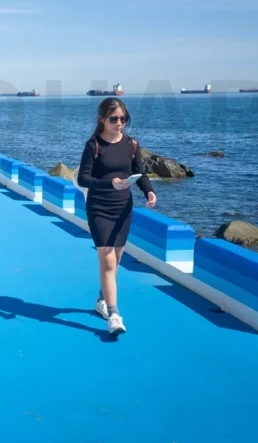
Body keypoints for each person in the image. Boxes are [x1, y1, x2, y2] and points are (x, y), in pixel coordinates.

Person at [76, 97, 157, 336]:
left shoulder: (131, 144)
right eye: (114, 119)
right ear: (102, 119)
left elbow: (139, 173)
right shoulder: (93, 145)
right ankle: (114, 314)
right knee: (108, 259)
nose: (119, 123)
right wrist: (109, 183)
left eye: (123, 118)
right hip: (99, 209)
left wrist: (149, 191)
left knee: (117, 259)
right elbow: (83, 179)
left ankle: (102, 299)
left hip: (123, 209)